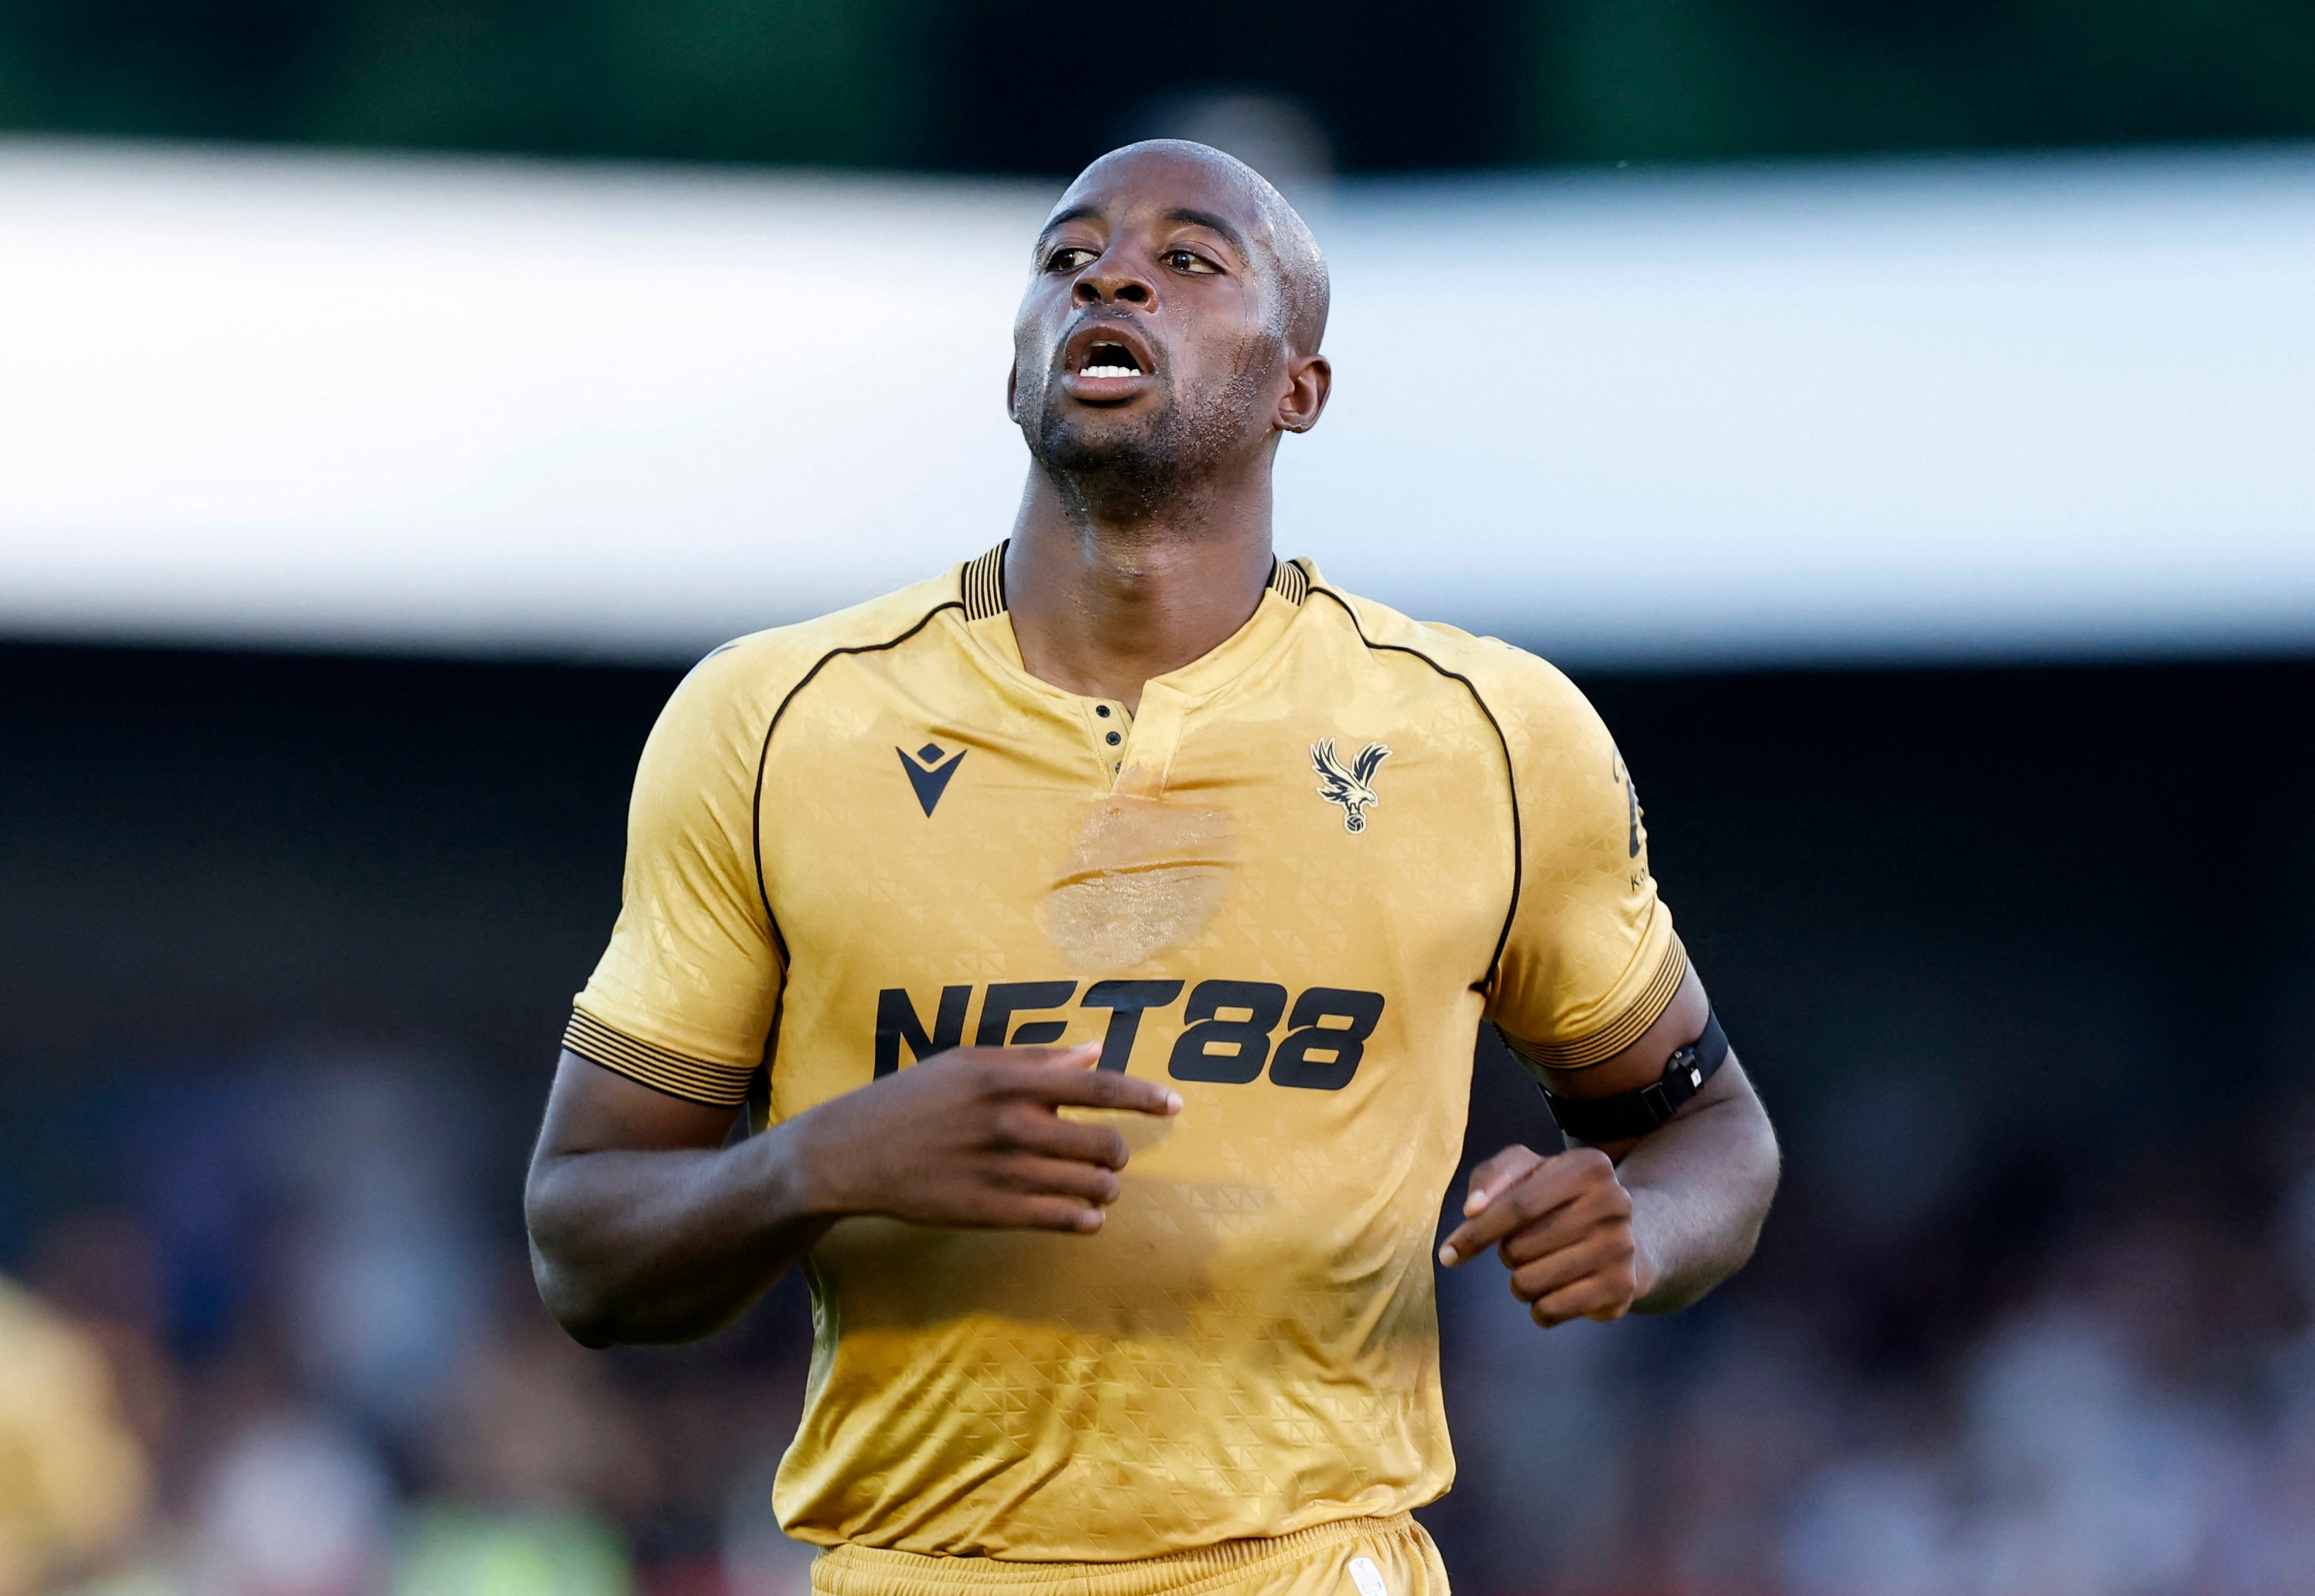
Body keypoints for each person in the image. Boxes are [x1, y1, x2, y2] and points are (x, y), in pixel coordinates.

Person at [525, 139, 1780, 1596]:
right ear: (1016, 371)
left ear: (1299, 388)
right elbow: (583, 1245)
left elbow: (1713, 1133)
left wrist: (1641, 1230)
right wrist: (816, 1163)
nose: (1110, 276)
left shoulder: (1492, 737)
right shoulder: (773, 723)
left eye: (1188, 259)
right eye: (1068, 258)